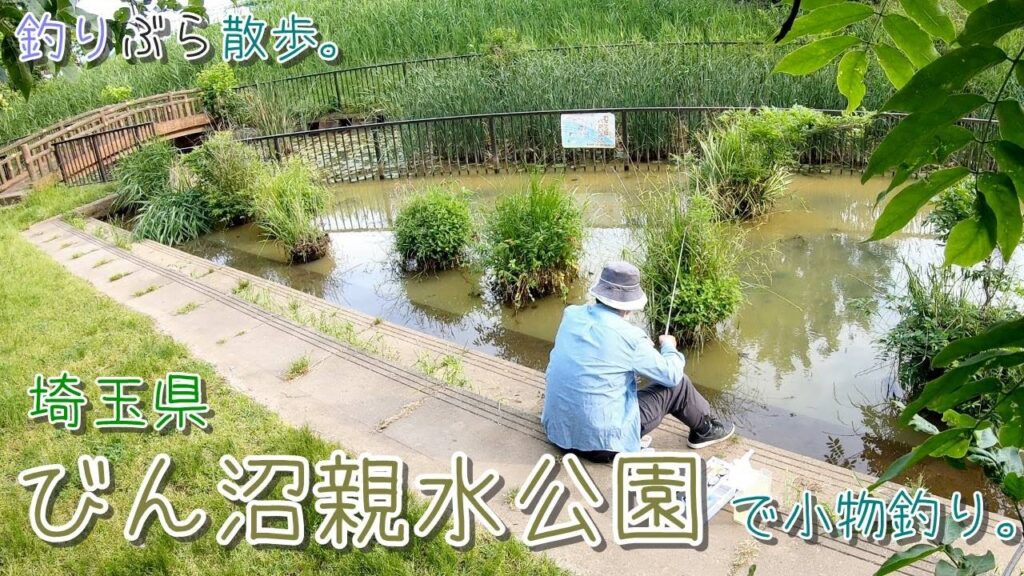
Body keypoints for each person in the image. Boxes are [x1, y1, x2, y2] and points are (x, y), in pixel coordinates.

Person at [542, 260, 734, 463]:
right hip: (601, 446)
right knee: (679, 384)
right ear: (629, 305)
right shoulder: (631, 337)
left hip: (558, 432)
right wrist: (669, 347)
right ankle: (705, 430)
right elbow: (671, 375)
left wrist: (639, 349)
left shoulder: (571, 315)